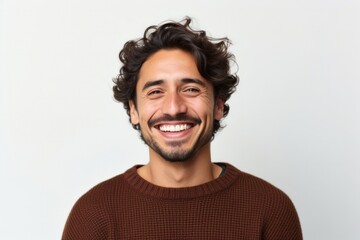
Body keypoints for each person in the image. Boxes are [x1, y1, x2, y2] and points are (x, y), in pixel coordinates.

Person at [62, 17, 302, 239]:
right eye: (155, 92)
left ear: (218, 105)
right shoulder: (93, 214)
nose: (174, 107)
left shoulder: (270, 209)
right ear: (134, 110)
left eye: (191, 89)